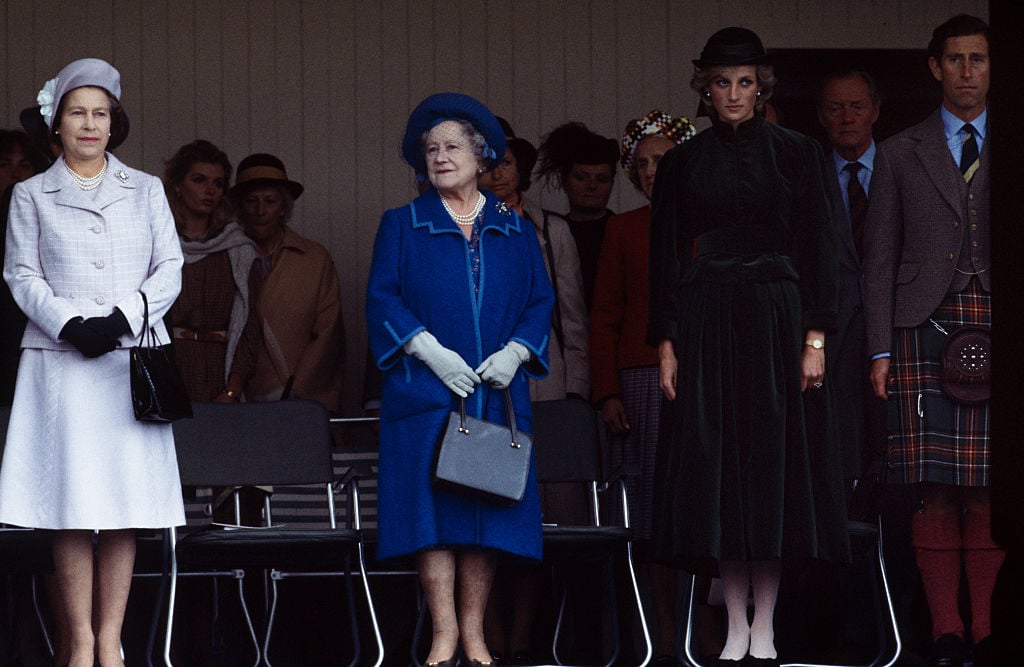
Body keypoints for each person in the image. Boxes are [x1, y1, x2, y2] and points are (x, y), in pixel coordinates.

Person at [647, 28, 848, 665]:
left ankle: (767, 628)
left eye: (744, 83)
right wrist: (668, 342)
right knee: (720, 471)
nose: (733, 94)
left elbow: (822, 248)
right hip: (706, 322)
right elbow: (665, 259)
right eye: (721, 82)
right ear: (704, 89)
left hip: (777, 321)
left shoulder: (800, 154)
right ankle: (735, 623)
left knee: (772, 471)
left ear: (761, 89)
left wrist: (814, 337)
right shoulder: (681, 163)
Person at [0, 58, 184, 667]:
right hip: (61, 361)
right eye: (77, 112)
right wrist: (68, 323)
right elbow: (20, 274)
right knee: (72, 506)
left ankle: (113, 642)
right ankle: (79, 642)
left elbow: (170, 269)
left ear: (115, 123)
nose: (89, 123)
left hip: (130, 358)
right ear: (57, 123)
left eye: (100, 113)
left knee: (125, 507)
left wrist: (124, 316)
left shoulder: (148, 189)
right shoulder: (30, 194)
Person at [366, 92, 553, 666]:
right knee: (432, 520)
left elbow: (539, 302)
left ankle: (474, 633)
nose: (440, 156)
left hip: (494, 395)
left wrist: (518, 352)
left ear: (482, 156)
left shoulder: (514, 229)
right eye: (431, 148)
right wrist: (428, 350)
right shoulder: (402, 223)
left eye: (452, 146)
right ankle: (443, 633)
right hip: (424, 394)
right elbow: (381, 298)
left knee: (483, 518)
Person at [862, 14, 997, 667]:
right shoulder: (898, 150)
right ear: (934, 66)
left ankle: (989, 629)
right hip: (922, 324)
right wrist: (880, 350)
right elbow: (879, 259)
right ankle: (945, 630)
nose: (968, 72)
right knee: (936, 486)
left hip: (1002, 321)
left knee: (992, 484)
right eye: (956, 59)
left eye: (978, 59)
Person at [478, 118, 588, 663]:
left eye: (505, 162)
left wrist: (579, 390)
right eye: (487, 161)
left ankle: (525, 639)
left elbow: (571, 314)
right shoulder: (457, 223)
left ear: (519, 166)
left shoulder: (549, 228)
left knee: (540, 527)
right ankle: (489, 639)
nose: (496, 172)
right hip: (480, 391)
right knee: (488, 521)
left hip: (544, 386)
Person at [590, 109, 695, 663]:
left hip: (705, 381)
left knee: (703, 507)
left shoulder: (713, 223)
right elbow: (604, 315)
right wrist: (607, 391)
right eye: (643, 163)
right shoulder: (624, 228)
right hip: (641, 382)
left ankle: (708, 639)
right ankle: (655, 642)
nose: (652, 170)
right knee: (649, 517)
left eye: (664, 159)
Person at [231, 153, 345, 412]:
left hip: (297, 398)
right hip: (235, 398)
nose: (261, 211)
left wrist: (299, 391)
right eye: (251, 201)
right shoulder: (224, 258)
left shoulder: (314, 260)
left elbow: (328, 336)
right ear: (239, 207)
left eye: (270, 201)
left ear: (284, 206)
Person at [163, 139, 260, 403]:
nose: (210, 190)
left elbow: (250, 327)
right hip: (168, 367)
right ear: (177, 185)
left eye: (218, 183)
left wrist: (233, 389)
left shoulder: (238, 249)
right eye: (199, 180)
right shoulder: (157, 243)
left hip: (221, 372)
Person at [536, 121, 619, 310]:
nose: (592, 186)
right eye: (581, 178)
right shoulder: (552, 236)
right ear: (564, 181)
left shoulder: (622, 233)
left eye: (602, 179)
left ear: (612, 182)